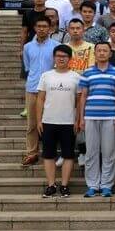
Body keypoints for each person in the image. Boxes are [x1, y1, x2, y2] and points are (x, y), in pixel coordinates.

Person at [78, 42, 115, 198]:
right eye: (99, 50)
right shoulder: (87, 72)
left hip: (110, 117)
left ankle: (106, 185)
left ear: (110, 54)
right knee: (91, 152)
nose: (102, 53)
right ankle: (92, 185)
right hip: (90, 116)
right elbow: (83, 96)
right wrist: (81, 118)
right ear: (95, 53)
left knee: (109, 152)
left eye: (105, 50)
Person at [37, 44, 81, 197]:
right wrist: (38, 120)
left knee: (68, 155)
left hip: (68, 122)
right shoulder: (46, 76)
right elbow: (40, 99)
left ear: (70, 58)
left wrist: (78, 120)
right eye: (58, 56)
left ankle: (64, 185)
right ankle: (51, 185)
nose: (61, 59)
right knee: (48, 154)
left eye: (64, 56)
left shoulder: (76, 77)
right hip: (48, 121)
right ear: (54, 58)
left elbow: (79, 101)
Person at [22, 16, 59, 166]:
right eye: (39, 26)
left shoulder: (56, 46)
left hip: (51, 90)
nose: (42, 29)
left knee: (50, 123)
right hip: (32, 88)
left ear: (50, 28)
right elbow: (28, 67)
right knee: (32, 124)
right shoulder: (27, 47)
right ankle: (32, 153)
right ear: (34, 28)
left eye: (45, 26)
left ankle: (51, 152)